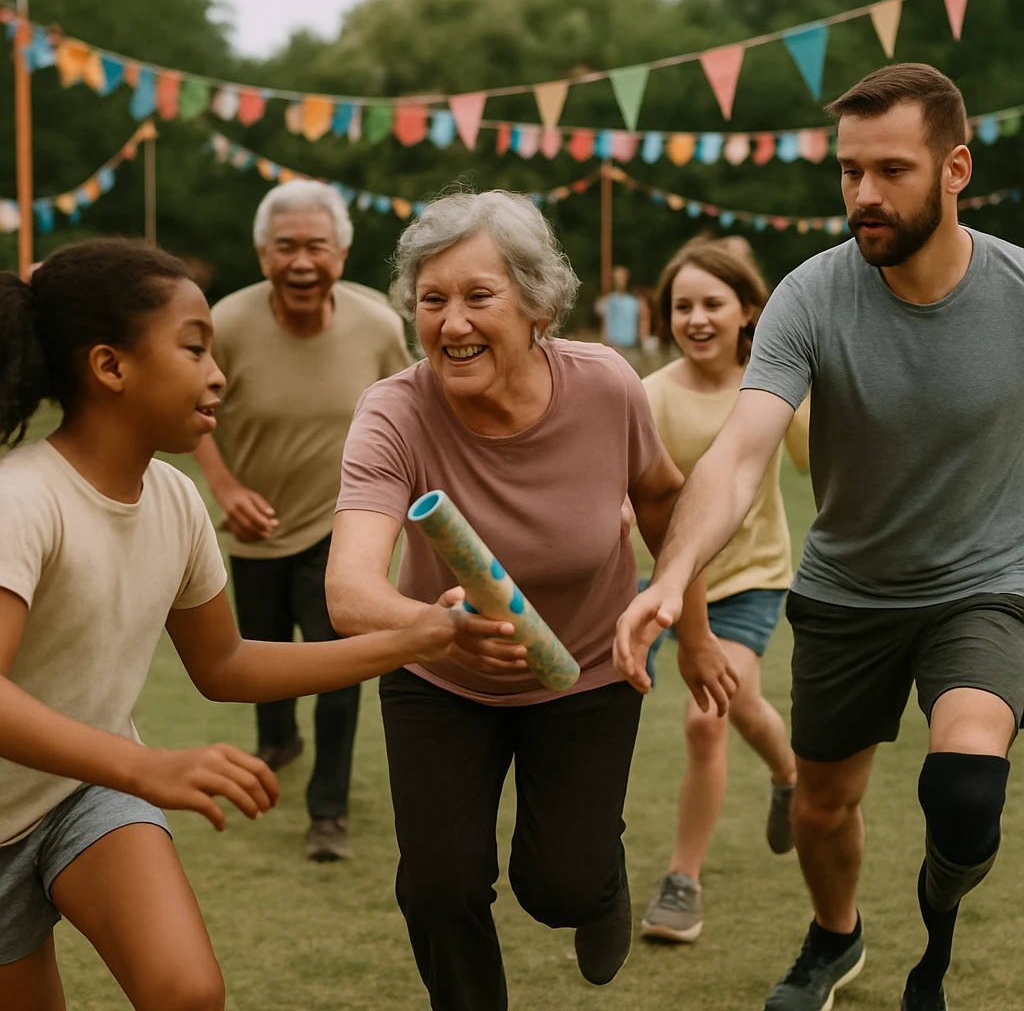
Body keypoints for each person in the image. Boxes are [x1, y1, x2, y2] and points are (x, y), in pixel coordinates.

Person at [614, 63, 1024, 1011]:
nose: (863, 196)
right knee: (821, 805)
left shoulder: (1013, 292)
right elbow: (740, 453)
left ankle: (940, 908)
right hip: (848, 588)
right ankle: (835, 938)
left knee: (965, 793)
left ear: (955, 167)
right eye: (849, 172)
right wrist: (672, 579)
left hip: (984, 586)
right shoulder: (809, 295)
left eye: (891, 170)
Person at [0, 239, 466, 1011]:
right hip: (70, 788)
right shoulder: (22, 501)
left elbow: (227, 666)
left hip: (86, 795)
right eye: (193, 349)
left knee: (187, 994)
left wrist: (411, 640)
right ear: (111, 367)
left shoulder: (178, 503)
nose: (218, 374)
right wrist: (147, 767)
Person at [326, 190, 734, 1011]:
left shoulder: (606, 386)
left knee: (561, 888)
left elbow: (661, 501)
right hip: (440, 679)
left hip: (585, 671)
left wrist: (690, 626)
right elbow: (348, 589)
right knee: (438, 887)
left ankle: (599, 880)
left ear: (538, 305)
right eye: (431, 300)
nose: (452, 323)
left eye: (479, 296)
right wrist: (434, 627)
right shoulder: (394, 412)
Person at [193, 179, 411, 862]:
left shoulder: (377, 325)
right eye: (285, 247)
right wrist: (224, 487)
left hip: (344, 528)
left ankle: (328, 811)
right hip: (256, 530)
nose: (301, 261)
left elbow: (411, 406)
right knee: (262, 655)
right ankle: (279, 738)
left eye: (317, 245)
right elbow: (193, 408)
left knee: (338, 667)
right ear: (263, 255)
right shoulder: (223, 323)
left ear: (341, 254)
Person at [638, 238, 809, 944]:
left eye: (713, 303)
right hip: (668, 579)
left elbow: (820, 468)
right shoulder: (649, 396)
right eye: (683, 305)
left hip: (750, 581)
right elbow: (632, 497)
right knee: (727, 711)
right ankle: (789, 770)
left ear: (749, 312)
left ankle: (683, 882)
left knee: (710, 716)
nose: (697, 318)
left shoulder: (773, 392)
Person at [595, 265, 650, 351]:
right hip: (612, 344)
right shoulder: (608, 300)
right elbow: (603, 318)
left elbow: (644, 319)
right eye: (617, 278)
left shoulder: (634, 301)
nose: (619, 281)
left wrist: (644, 338)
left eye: (621, 278)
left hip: (630, 344)